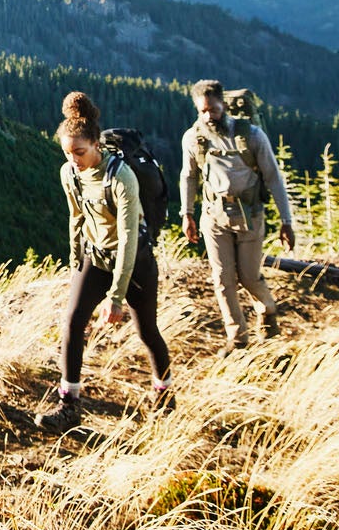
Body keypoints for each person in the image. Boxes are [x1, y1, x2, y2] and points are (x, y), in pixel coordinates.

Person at [40, 92, 174, 430]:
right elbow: (76, 217)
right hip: (95, 257)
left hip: (135, 260)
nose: (74, 160)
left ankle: (165, 394)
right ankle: (69, 404)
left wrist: (116, 296)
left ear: (97, 144)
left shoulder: (121, 176)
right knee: (72, 322)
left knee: (147, 332)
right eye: (67, 153)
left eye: (80, 152)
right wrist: (75, 262)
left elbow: (129, 236)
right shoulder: (69, 173)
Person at [179, 79, 295, 349]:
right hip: (214, 215)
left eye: (214, 109)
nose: (209, 116)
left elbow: (273, 178)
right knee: (222, 279)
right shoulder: (193, 138)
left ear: (224, 105)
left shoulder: (252, 136)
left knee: (249, 276)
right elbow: (189, 176)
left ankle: (267, 310)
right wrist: (187, 214)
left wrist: (286, 221)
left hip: (249, 214)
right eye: (203, 111)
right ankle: (237, 337)